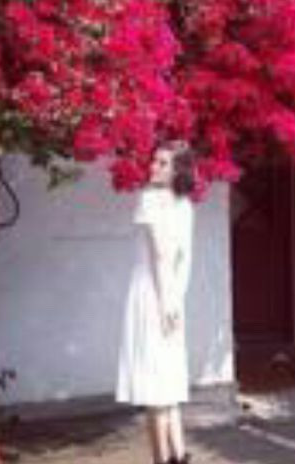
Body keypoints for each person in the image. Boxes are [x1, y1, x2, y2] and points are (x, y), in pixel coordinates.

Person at [115, 141, 195, 464]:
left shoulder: (150, 200)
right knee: (169, 385)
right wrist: (176, 300)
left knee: (155, 391)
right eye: (154, 161)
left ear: (177, 170)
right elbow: (183, 260)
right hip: (170, 296)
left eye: (162, 163)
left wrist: (166, 304)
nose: (154, 166)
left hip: (152, 296)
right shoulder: (185, 206)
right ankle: (179, 456)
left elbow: (162, 256)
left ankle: (163, 459)